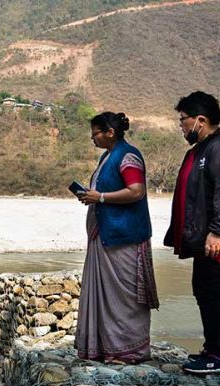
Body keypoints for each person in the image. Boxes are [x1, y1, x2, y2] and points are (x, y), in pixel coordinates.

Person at [164, 91, 220, 375]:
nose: (181, 126)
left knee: (212, 291)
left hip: (215, 238)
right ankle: (218, 350)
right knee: (211, 290)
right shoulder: (201, 150)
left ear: (200, 120)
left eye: (183, 120)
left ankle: (219, 354)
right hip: (204, 236)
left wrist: (218, 232)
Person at [75, 111, 159, 364]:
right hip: (107, 234)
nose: (93, 138)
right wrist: (93, 196)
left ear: (110, 133)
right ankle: (108, 347)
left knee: (125, 297)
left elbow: (136, 191)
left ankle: (131, 350)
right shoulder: (108, 156)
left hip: (124, 236)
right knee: (110, 295)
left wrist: (100, 197)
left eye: (95, 134)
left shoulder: (128, 156)